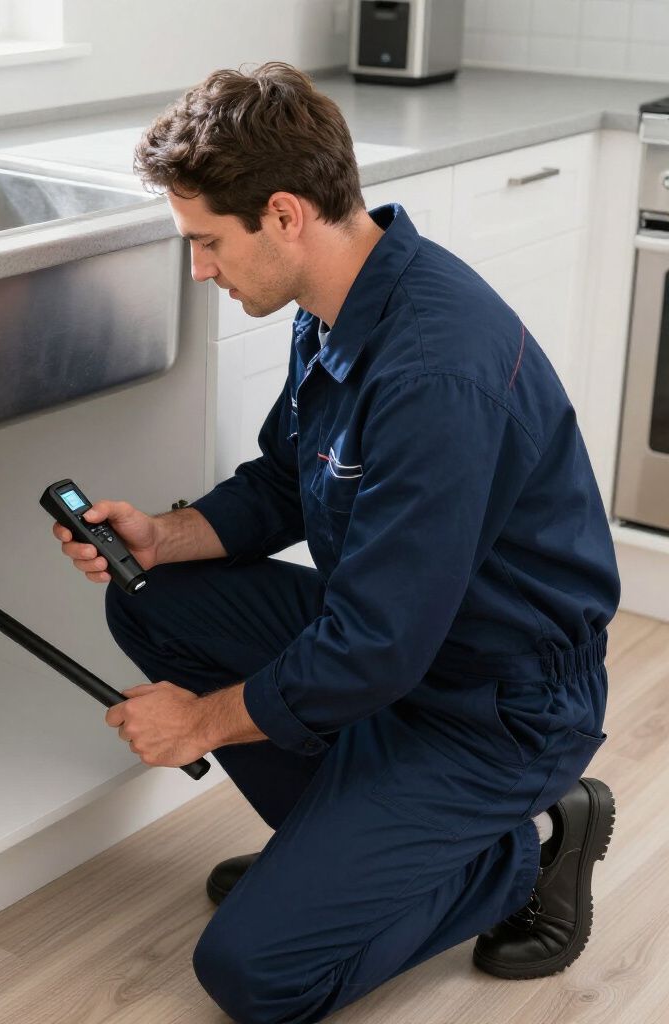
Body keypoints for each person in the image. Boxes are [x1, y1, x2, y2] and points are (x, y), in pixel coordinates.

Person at [50, 62, 618, 1023]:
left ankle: (520, 853)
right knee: (149, 590)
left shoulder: (434, 372)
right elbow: (285, 479)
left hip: (500, 703)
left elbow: (373, 649)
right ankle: (343, 846)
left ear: (282, 214)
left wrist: (194, 726)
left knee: (255, 974)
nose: (198, 270)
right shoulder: (340, 304)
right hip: (412, 647)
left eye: (205, 243)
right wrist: (164, 533)